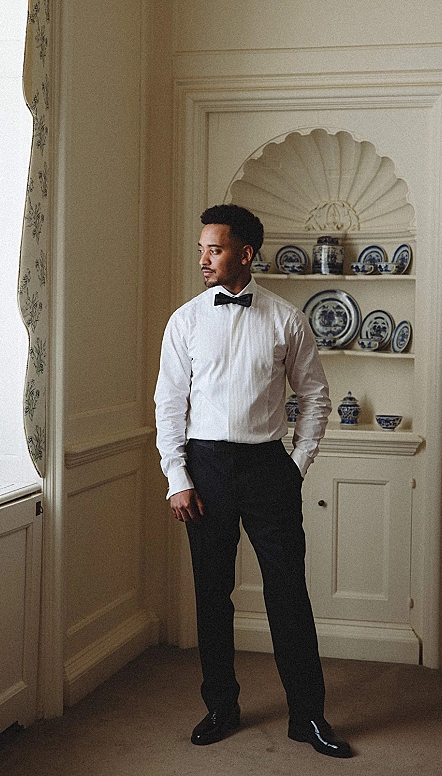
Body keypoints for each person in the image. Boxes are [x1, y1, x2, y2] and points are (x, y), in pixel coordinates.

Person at [154, 203, 352, 758]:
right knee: (212, 596)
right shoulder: (185, 320)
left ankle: (307, 717)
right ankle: (221, 706)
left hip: (270, 467)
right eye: (200, 249)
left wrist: (297, 463)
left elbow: (315, 397)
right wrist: (177, 476)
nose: (203, 260)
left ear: (245, 253)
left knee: (289, 593)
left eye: (213, 250)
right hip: (205, 470)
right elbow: (168, 404)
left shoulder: (286, 318)